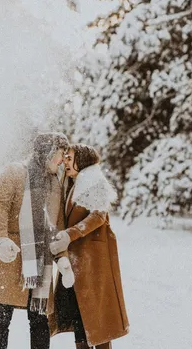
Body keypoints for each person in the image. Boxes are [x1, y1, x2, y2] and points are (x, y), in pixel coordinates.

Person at [0, 133, 75, 349]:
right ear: (50, 152)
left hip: (41, 260)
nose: (62, 160)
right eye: (61, 154)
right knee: (1, 318)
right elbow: (0, 206)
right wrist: (1, 238)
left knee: (40, 320)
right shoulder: (15, 173)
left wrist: (62, 257)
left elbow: (58, 226)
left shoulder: (55, 184)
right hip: (11, 256)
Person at [49, 144, 129, 349]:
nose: (66, 162)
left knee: (98, 321)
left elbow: (98, 216)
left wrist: (70, 234)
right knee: (79, 317)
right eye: (65, 158)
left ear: (82, 161)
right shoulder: (71, 184)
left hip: (95, 261)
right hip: (76, 262)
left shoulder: (96, 183)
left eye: (70, 158)